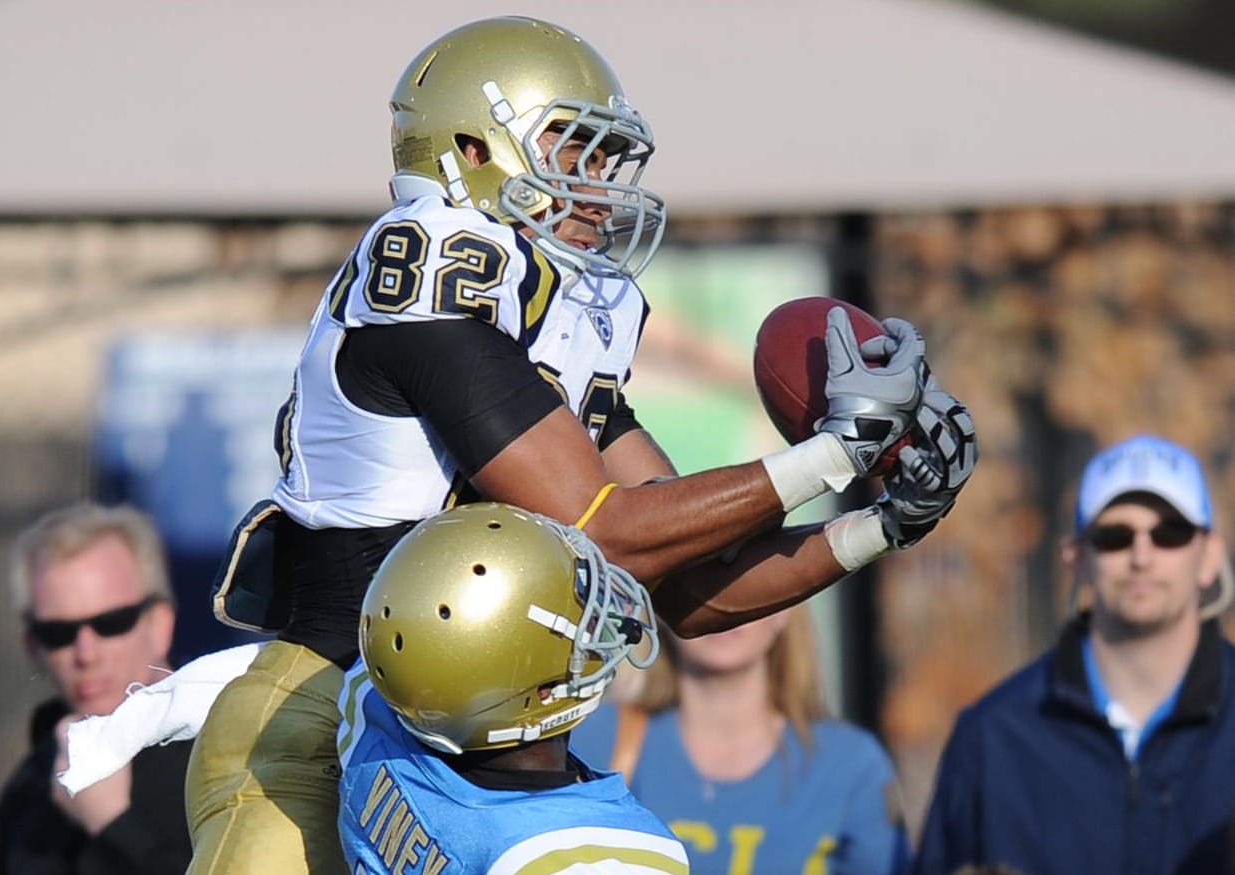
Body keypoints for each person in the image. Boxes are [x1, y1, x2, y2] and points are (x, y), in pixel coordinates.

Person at [190, 14, 979, 875]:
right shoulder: (428, 274)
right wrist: (835, 453)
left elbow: (692, 588)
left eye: (608, 159)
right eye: (575, 151)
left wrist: (885, 519)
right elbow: (604, 526)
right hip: (314, 732)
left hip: (475, 756)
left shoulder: (552, 320)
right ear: (474, 151)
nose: (599, 183)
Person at [915, 434, 1235, 875]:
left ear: (1209, 556)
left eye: (1170, 533)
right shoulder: (993, 740)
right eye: (1115, 536)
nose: (1142, 556)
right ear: (1076, 557)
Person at [339, 503, 688, 874]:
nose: (597, 625)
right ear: (543, 691)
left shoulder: (372, 706)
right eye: (581, 615)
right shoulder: (588, 854)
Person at [571, 608, 910, 875]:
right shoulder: (592, 742)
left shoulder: (851, 766)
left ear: (784, 610)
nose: (727, 606)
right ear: (663, 607)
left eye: (752, 582)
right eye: (703, 579)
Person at [0, 502, 190, 874]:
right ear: (33, 647)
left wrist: (114, 826)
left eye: (112, 622)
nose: (85, 653)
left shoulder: (228, 754)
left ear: (159, 625)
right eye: (58, 633)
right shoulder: (29, 785)